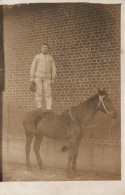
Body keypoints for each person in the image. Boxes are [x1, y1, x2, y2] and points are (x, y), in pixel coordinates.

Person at [30, 44, 56, 111]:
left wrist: (53, 78)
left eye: (46, 48)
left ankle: (49, 108)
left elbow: (53, 68)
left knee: (48, 92)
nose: (45, 49)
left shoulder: (50, 58)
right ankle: (39, 107)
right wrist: (31, 78)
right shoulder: (37, 57)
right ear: (41, 49)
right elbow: (33, 67)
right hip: (38, 77)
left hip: (47, 78)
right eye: (43, 47)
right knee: (39, 92)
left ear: (48, 49)